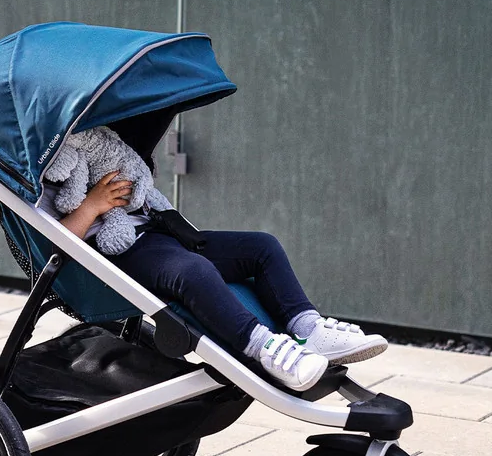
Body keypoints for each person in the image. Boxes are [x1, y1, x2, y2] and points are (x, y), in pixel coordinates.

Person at [44, 132, 389, 392]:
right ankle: (264, 348)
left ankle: (308, 330)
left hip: (159, 229)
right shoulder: (48, 161)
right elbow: (54, 241)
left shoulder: (95, 136)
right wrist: (92, 205)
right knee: (194, 271)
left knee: (261, 247)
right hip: (119, 252)